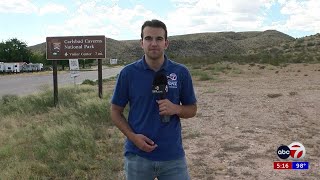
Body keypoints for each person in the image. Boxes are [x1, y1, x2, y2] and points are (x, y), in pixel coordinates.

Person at [111, 19, 197, 180]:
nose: (154, 43)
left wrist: (176, 109)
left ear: (166, 43)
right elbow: (115, 111)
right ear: (141, 43)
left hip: (172, 156)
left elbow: (192, 109)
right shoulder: (128, 73)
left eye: (159, 39)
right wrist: (133, 137)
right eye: (148, 38)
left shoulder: (181, 72)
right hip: (138, 156)